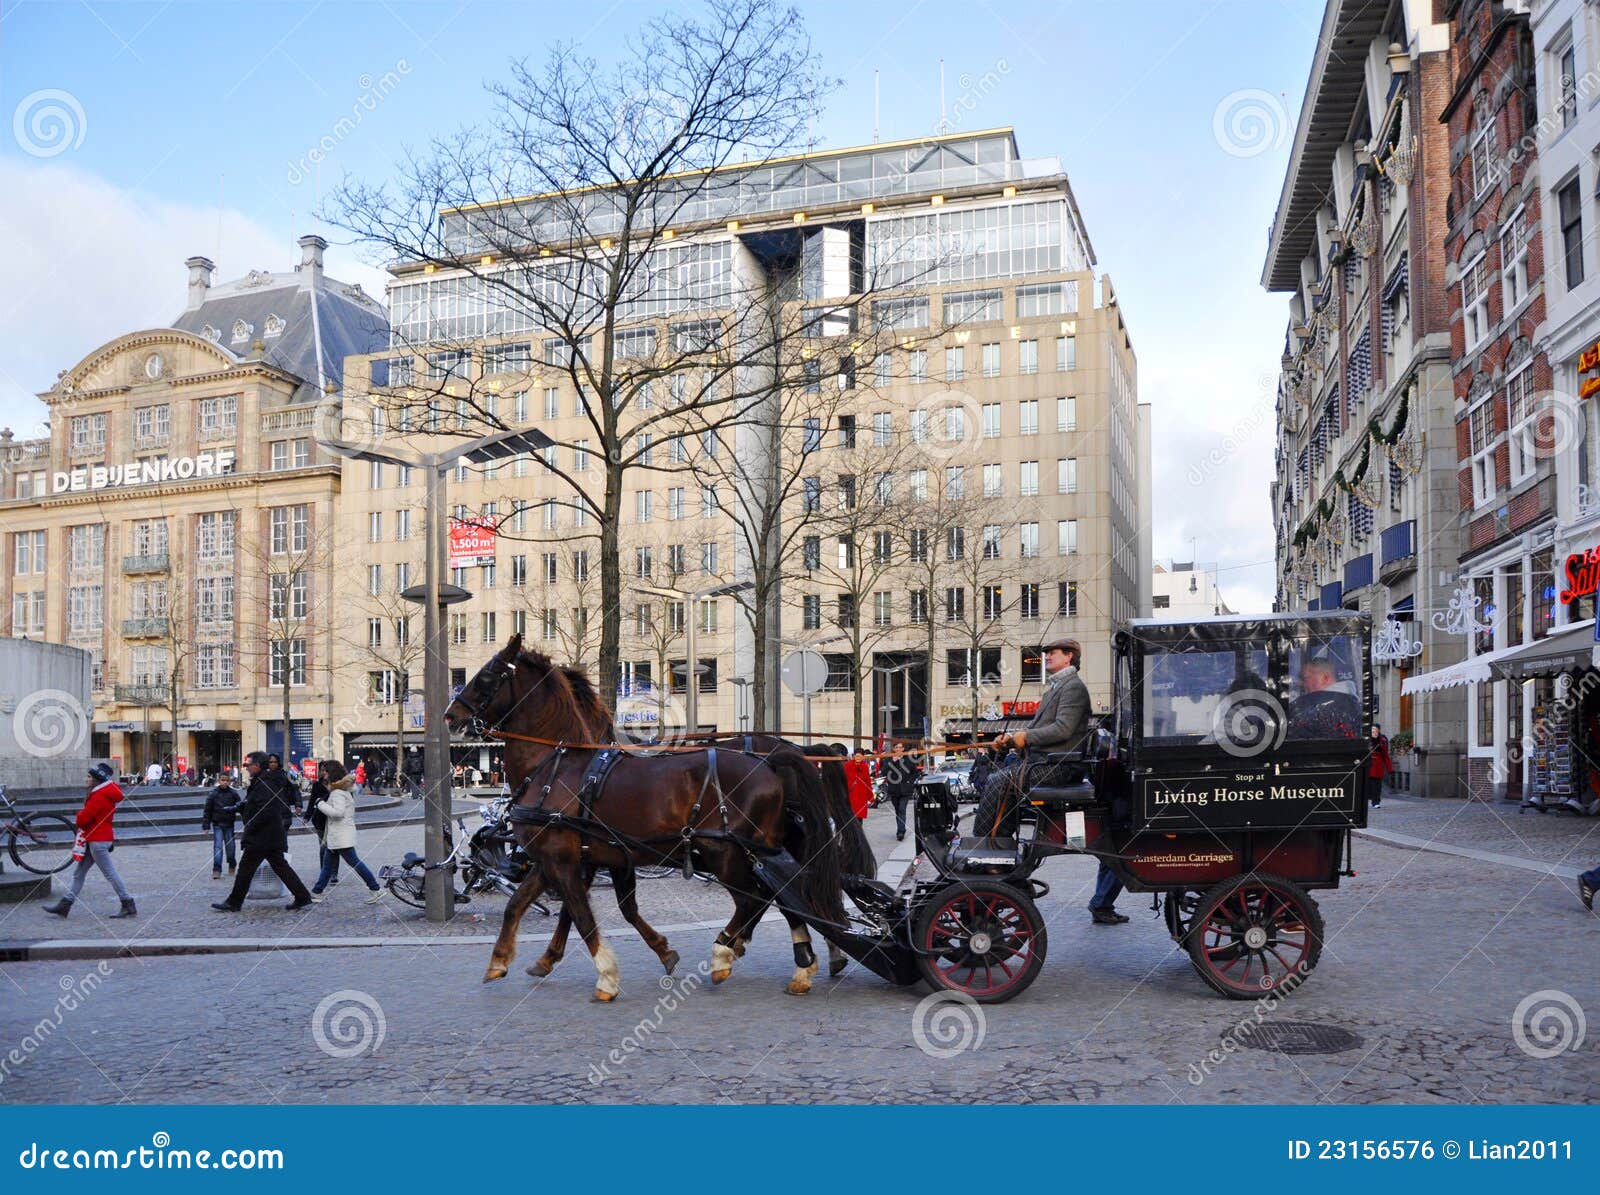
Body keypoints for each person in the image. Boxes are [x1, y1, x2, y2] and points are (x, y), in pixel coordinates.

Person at [211, 750, 315, 912]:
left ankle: (234, 902)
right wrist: (242, 806)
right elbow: (257, 804)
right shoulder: (263, 781)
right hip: (269, 834)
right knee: (280, 866)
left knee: (246, 869)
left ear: (257, 766)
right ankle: (303, 896)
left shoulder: (264, 783)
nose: (246, 768)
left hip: (262, 835)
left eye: (248, 765)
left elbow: (266, 810)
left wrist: (250, 826)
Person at [44, 763, 136, 918]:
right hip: (97, 838)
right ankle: (65, 905)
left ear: (96, 779)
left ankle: (128, 903)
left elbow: (83, 819)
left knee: (110, 874)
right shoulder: (105, 793)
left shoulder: (99, 796)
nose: (86, 779)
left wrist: (79, 814)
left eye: (89, 776)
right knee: (79, 873)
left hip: (97, 840)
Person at [307, 761, 385, 904]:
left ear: (331, 773)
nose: (323, 773)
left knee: (355, 863)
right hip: (338, 835)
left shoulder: (337, 793)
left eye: (325, 771)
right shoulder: (342, 790)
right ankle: (316, 892)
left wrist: (320, 804)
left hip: (340, 835)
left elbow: (338, 813)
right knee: (327, 864)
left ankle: (376, 888)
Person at [1287, 650, 1361, 739]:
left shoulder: (1315, 706)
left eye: (1306, 678)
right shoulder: (1353, 703)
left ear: (1325, 678)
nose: (1302, 684)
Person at [201, 776, 242, 879]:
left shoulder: (233, 793)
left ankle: (232, 863)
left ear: (229, 781)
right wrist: (206, 825)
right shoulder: (213, 794)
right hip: (217, 823)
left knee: (230, 847)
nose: (224, 782)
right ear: (219, 781)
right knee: (218, 847)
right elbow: (207, 810)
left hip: (229, 824)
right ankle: (217, 869)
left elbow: (240, 806)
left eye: (227, 780)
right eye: (222, 780)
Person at [880, 742, 920, 842]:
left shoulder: (908, 759)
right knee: (898, 810)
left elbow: (915, 773)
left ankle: (900, 831)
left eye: (900, 747)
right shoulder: (889, 759)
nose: (898, 749)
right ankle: (901, 828)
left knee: (902, 809)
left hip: (905, 790)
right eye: (896, 747)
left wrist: (910, 782)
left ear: (903, 749)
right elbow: (883, 772)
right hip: (894, 789)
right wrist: (893, 762)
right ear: (894, 749)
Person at [1366, 724, 1393, 809]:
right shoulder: (1367, 740)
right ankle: (1368, 800)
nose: (1374, 732)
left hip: (1378, 765)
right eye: (1372, 730)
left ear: (1378, 731)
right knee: (1369, 785)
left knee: (1377, 785)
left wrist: (1389, 768)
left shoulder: (1382, 740)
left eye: (1375, 730)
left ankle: (1376, 802)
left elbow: (1385, 755)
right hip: (1368, 764)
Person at [844, 749, 873, 823]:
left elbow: (867, 781)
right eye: (856, 756)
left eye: (860, 756)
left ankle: (858, 833)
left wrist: (870, 795)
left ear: (863, 757)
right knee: (850, 817)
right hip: (850, 794)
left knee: (859, 817)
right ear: (854, 756)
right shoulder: (847, 765)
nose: (858, 758)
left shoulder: (865, 766)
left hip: (861, 795)